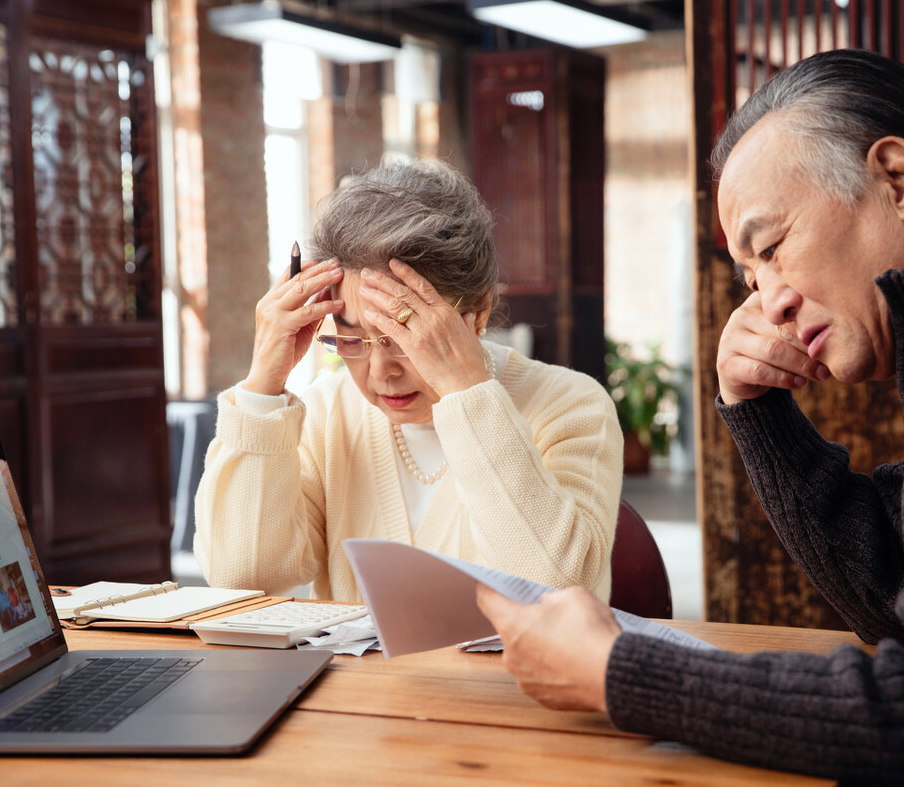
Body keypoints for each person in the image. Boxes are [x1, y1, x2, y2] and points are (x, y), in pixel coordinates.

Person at [476, 48, 904, 784]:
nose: (767, 303)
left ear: (899, 180)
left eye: (775, 248)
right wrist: (759, 411)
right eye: (752, 277)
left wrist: (618, 671)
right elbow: (894, 598)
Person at [194, 158, 623, 603]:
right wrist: (263, 388)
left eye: (405, 334)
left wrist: (468, 392)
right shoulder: (327, 414)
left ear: (477, 312)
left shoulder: (572, 406)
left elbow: (553, 587)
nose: (382, 371)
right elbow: (243, 575)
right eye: (352, 339)